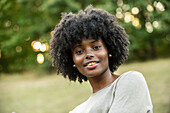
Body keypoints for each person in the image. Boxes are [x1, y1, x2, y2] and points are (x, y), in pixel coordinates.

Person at [50, 5, 153, 113]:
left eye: (96, 47)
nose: (89, 54)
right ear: (72, 60)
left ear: (109, 50)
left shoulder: (130, 81)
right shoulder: (76, 111)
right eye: (79, 51)